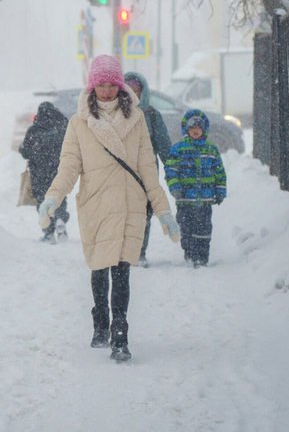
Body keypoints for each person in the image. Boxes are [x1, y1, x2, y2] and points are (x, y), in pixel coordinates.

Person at [38, 55, 180, 362]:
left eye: (110, 85)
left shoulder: (137, 119)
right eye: (99, 85)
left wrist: (163, 209)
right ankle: (100, 321)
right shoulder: (79, 123)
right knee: (99, 268)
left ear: (119, 85)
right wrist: (53, 197)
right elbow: (69, 167)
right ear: (92, 86)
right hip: (96, 205)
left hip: (130, 205)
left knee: (122, 270)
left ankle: (120, 334)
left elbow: (147, 170)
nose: (105, 91)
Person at [165, 109, 227, 267]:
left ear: (204, 131)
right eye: (192, 130)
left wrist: (220, 191)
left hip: (205, 199)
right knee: (186, 229)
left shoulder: (211, 150)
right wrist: (176, 189)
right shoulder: (178, 149)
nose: (195, 132)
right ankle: (190, 253)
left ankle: (202, 256)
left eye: (198, 130)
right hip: (185, 200)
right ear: (186, 131)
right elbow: (171, 171)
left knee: (204, 230)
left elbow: (219, 173)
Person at [124, 71, 172, 267]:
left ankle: (140, 252)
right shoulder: (114, 115)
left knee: (143, 214)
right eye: (129, 91)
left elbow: (164, 146)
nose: (133, 94)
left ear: (142, 92)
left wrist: (173, 169)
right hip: (122, 174)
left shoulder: (152, 116)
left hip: (147, 175)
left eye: (136, 90)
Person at [19, 101, 70, 244]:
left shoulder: (34, 131)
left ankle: (48, 233)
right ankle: (60, 218)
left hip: (39, 174)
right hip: (59, 171)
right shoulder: (62, 128)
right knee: (59, 198)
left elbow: (25, 152)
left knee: (42, 201)